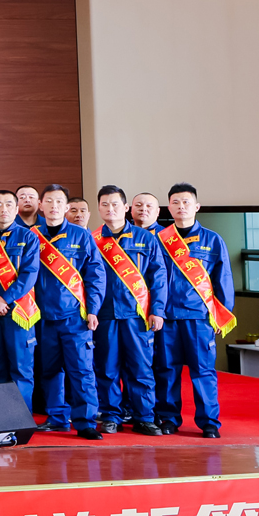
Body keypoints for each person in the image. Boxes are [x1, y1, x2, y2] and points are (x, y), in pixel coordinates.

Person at [155, 183, 233, 438]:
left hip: (199, 318)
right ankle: (168, 419)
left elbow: (223, 280)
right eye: (175, 203)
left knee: (203, 371)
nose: (181, 207)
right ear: (169, 208)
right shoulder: (160, 240)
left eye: (186, 202)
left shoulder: (213, 240)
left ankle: (209, 422)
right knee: (167, 371)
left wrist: (221, 315)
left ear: (197, 206)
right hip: (166, 318)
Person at [32, 185, 107, 440]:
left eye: (59, 202)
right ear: (41, 205)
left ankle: (85, 422)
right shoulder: (31, 236)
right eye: (49, 201)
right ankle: (57, 418)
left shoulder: (81, 236)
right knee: (50, 371)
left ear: (66, 207)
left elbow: (95, 275)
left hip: (75, 317)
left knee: (81, 370)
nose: (54, 206)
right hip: (42, 318)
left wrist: (93, 309)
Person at [94, 184, 168, 434]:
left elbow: (158, 277)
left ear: (126, 208)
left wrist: (157, 310)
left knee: (140, 367)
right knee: (106, 368)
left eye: (115, 204)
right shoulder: (93, 239)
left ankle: (144, 416)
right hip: (104, 315)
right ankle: (111, 415)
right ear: (99, 208)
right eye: (105, 204)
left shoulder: (146, 238)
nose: (110, 209)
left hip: (138, 315)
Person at [0, 188, 42, 411]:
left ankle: (21, 418)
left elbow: (29, 274)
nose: (3, 209)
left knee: (21, 369)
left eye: (8, 204)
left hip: (19, 311)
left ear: (16, 209)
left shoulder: (29, 236)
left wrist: (5, 299)